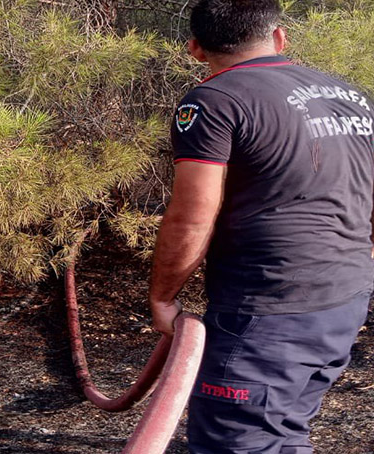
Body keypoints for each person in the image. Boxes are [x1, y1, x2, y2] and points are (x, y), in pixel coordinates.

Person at [147, 1, 374, 452]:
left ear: (195, 49)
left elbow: (193, 215)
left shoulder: (212, 101)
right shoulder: (350, 93)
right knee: (285, 431)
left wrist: (162, 296)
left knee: (238, 441)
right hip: (344, 298)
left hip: (268, 309)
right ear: (279, 37)